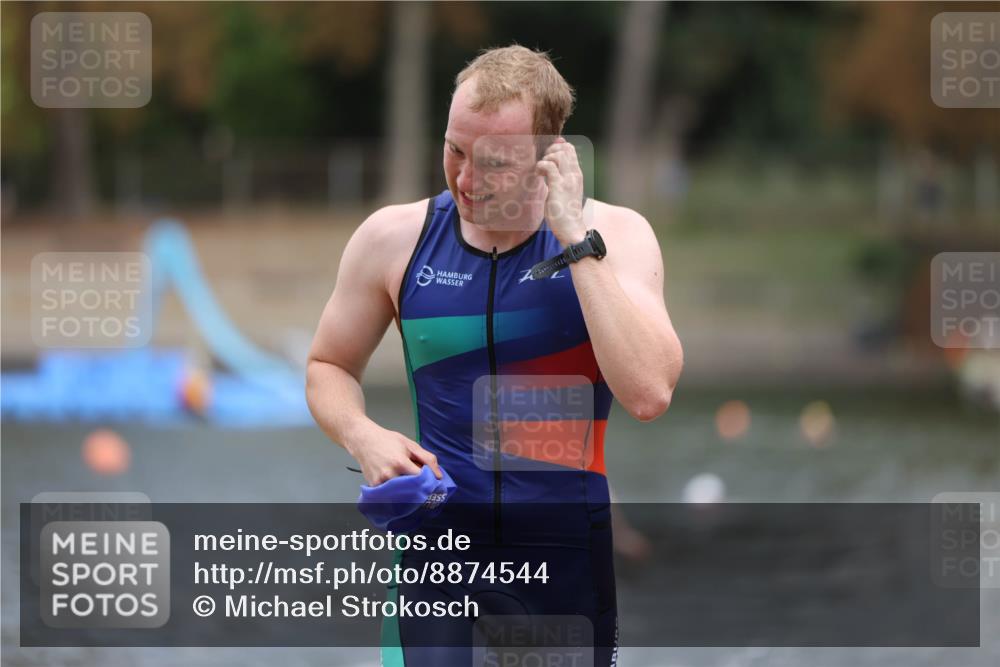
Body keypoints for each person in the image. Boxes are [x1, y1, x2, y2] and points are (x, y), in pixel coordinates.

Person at [306, 44, 682, 667]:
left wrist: (573, 243)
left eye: (495, 162)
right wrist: (361, 435)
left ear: (549, 159)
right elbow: (328, 367)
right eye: (455, 149)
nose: (465, 179)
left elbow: (649, 393)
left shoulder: (616, 237)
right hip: (434, 566)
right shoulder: (394, 240)